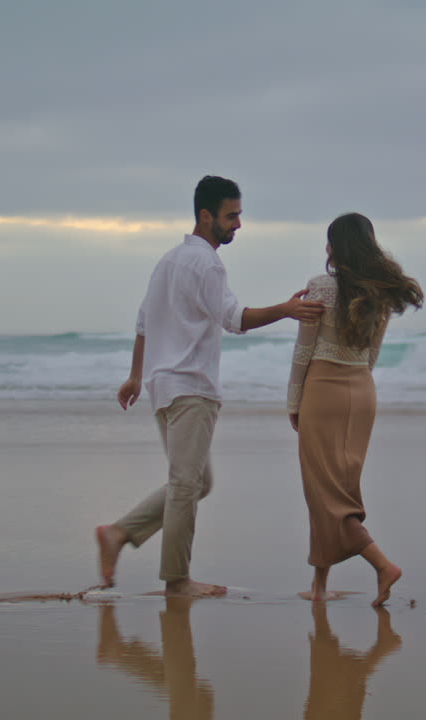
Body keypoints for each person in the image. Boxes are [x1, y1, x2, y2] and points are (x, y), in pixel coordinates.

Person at [95, 175, 324, 598]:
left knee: (199, 482)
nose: (237, 224)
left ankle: (118, 533)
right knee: (187, 484)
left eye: (238, 215)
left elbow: (144, 322)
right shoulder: (207, 263)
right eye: (231, 216)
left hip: (164, 386)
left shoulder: (168, 261)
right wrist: (287, 310)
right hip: (190, 387)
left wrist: (134, 375)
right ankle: (176, 580)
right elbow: (233, 318)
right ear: (205, 216)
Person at [288, 212, 423, 607]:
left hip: (323, 391)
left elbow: (303, 352)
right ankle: (318, 587)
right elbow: (372, 354)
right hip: (362, 391)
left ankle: (382, 565)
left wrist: (294, 401)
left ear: (334, 248)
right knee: (337, 490)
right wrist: (356, 382)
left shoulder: (320, 288)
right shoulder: (381, 293)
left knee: (324, 494)